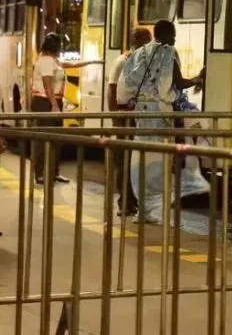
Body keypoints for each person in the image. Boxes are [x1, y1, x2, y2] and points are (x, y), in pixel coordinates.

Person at [117, 20, 206, 223]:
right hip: (160, 115)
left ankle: (142, 211)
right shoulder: (168, 53)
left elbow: (125, 86)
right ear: (165, 34)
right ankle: (153, 211)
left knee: (141, 161)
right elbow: (178, 82)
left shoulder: (140, 53)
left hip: (141, 115)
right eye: (173, 34)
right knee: (158, 163)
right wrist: (197, 79)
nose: (174, 39)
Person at [31, 33, 103, 184]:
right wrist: (54, 104)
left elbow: (71, 65)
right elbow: (47, 83)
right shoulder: (45, 62)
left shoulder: (54, 61)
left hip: (53, 101)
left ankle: (54, 172)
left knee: (57, 139)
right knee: (43, 138)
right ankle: (39, 174)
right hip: (44, 102)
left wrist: (92, 61)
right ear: (54, 47)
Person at [107, 27, 152, 216]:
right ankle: (125, 202)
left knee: (139, 161)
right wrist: (115, 116)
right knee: (125, 160)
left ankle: (135, 201)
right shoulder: (122, 61)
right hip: (126, 118)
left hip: (142, 117)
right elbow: (112, 88)